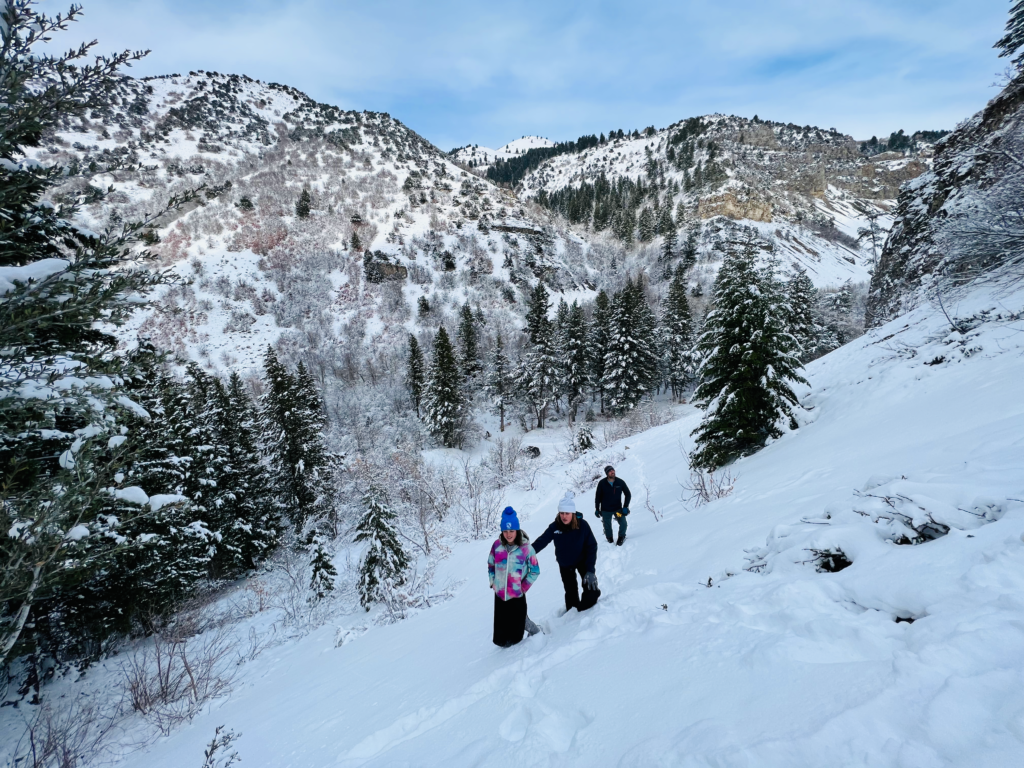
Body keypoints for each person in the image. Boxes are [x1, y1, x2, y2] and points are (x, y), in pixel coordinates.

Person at [533, 491, 600, 612]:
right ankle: (572, 617)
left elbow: (592, 546)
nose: (564, 516)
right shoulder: (555, 527)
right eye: (562, 513)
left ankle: (584, 612)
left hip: (582, 560)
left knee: (591, 590)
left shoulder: (583, 525)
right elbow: (542, 541)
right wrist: (526, 553)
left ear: (573, 513)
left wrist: (590, 570)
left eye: (567, 513)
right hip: (565, 564)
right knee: (571, 594)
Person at [487, 506, 540, 647]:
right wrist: (493, 581)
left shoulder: (526, 548)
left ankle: (536, 632)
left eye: (511, 531)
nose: (508, 534)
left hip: (517, 593)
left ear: (517, 530)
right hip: (499, 594)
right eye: (505, 531)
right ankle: (504, 645)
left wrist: (523, 587)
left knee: (519, 622)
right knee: (501, 628)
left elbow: (535, 570)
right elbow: (491, 564)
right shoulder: (497, 546)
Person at [595, 465, 631, 545]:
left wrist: (625, 506)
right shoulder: (602, 483)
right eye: (610, 471)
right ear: (607, 473)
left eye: (613, 470)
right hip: (605, 510)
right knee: (607, 526)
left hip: (617, 509)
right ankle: (609, 539)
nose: (612, 472)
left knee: (623, 523)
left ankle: (621, 537)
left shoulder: (620, 482)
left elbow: (628, 494)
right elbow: (598, 497)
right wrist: (597, 509)